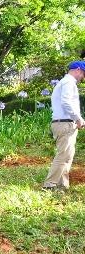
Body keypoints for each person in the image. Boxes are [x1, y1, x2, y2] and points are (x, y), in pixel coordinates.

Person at [42, 61, 85, 190]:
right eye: (83, 73)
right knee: (63, 155)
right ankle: (49, 185)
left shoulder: (65, 82)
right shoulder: (68, 82)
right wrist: (78, 118)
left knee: (67, 155)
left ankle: (62, 185)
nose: (83, 77)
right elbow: (66, 102)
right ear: (78, 69)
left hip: (65, 123)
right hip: (65, 123)